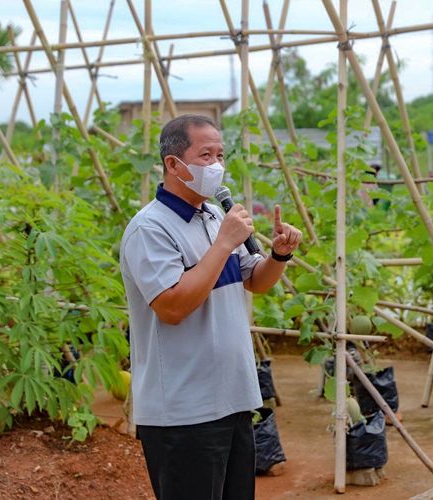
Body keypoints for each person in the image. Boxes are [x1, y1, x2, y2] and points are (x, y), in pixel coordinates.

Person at [119, 114, 302, 499]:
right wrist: (222, 244)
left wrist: (278, 256)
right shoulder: (149, 229)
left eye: (220, 154)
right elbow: (171, 306)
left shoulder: (215, 216)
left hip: (233, 399)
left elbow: (255, 281)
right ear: (173, 164)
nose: (217, 165)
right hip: (184, 412)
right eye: (205, 155)